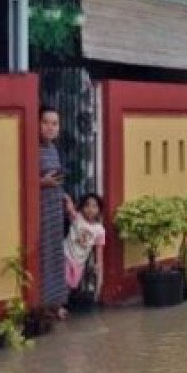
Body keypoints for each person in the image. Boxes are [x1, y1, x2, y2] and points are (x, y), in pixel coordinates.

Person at [38, 107, 69, 311]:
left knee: (55, 254)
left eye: (55, 123)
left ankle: (55, 302)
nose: (50, 127)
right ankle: (42, 303)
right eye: (46, 122)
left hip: (55, 210)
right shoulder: (33, 149)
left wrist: (66, 198)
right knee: (42, 255)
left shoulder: (53, 149)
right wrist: (42, 182)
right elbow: (21, 178)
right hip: (40, 210)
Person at [63, 193, 106, 298]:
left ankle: (60, 306)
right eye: (87, 205)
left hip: (78, 263)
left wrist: (99, 283)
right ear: (81, 208)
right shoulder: (77, 218)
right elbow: (70, 208)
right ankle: (57, 308)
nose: (90, 209)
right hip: (65, 256)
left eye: (94, 206)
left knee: (70, 287)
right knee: (62, 284)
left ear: (99, 209)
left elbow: (99, 254)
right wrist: (66, 197)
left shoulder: (99, 230)